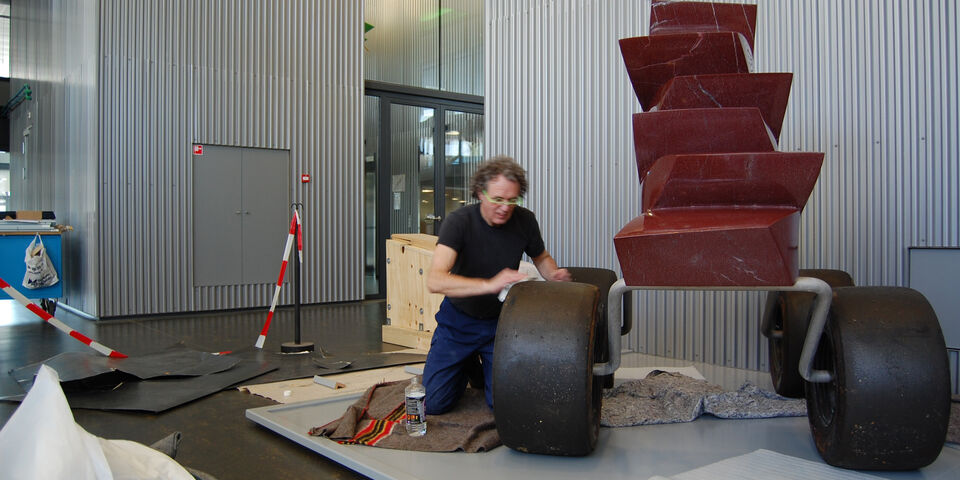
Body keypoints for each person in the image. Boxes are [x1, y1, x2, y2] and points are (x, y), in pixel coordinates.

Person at [422, 155, 571, 415]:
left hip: (499, 324)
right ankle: (466, 363)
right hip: (457, 322)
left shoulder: (525, 220)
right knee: (435, 405)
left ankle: (479, 365)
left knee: (502, 405)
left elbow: (542, 257)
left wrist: (553, 273)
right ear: (480, 193)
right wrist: (490, 284)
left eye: (512, 200)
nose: (505, 207)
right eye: (498, 199)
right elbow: (435, 280)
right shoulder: (459, 222)